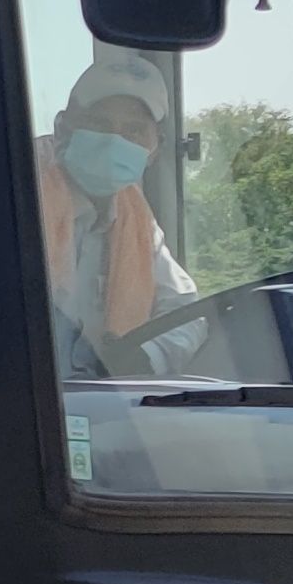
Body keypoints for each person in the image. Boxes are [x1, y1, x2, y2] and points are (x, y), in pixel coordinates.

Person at [37, 51, 197, 373]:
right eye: (99, 123)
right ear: (62, 127)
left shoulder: (137, 221)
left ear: (155, 148)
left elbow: (187, 313)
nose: (115, 140)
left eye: (134, 131)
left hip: (104, 403)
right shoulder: (21, 192)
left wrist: (145, 359)